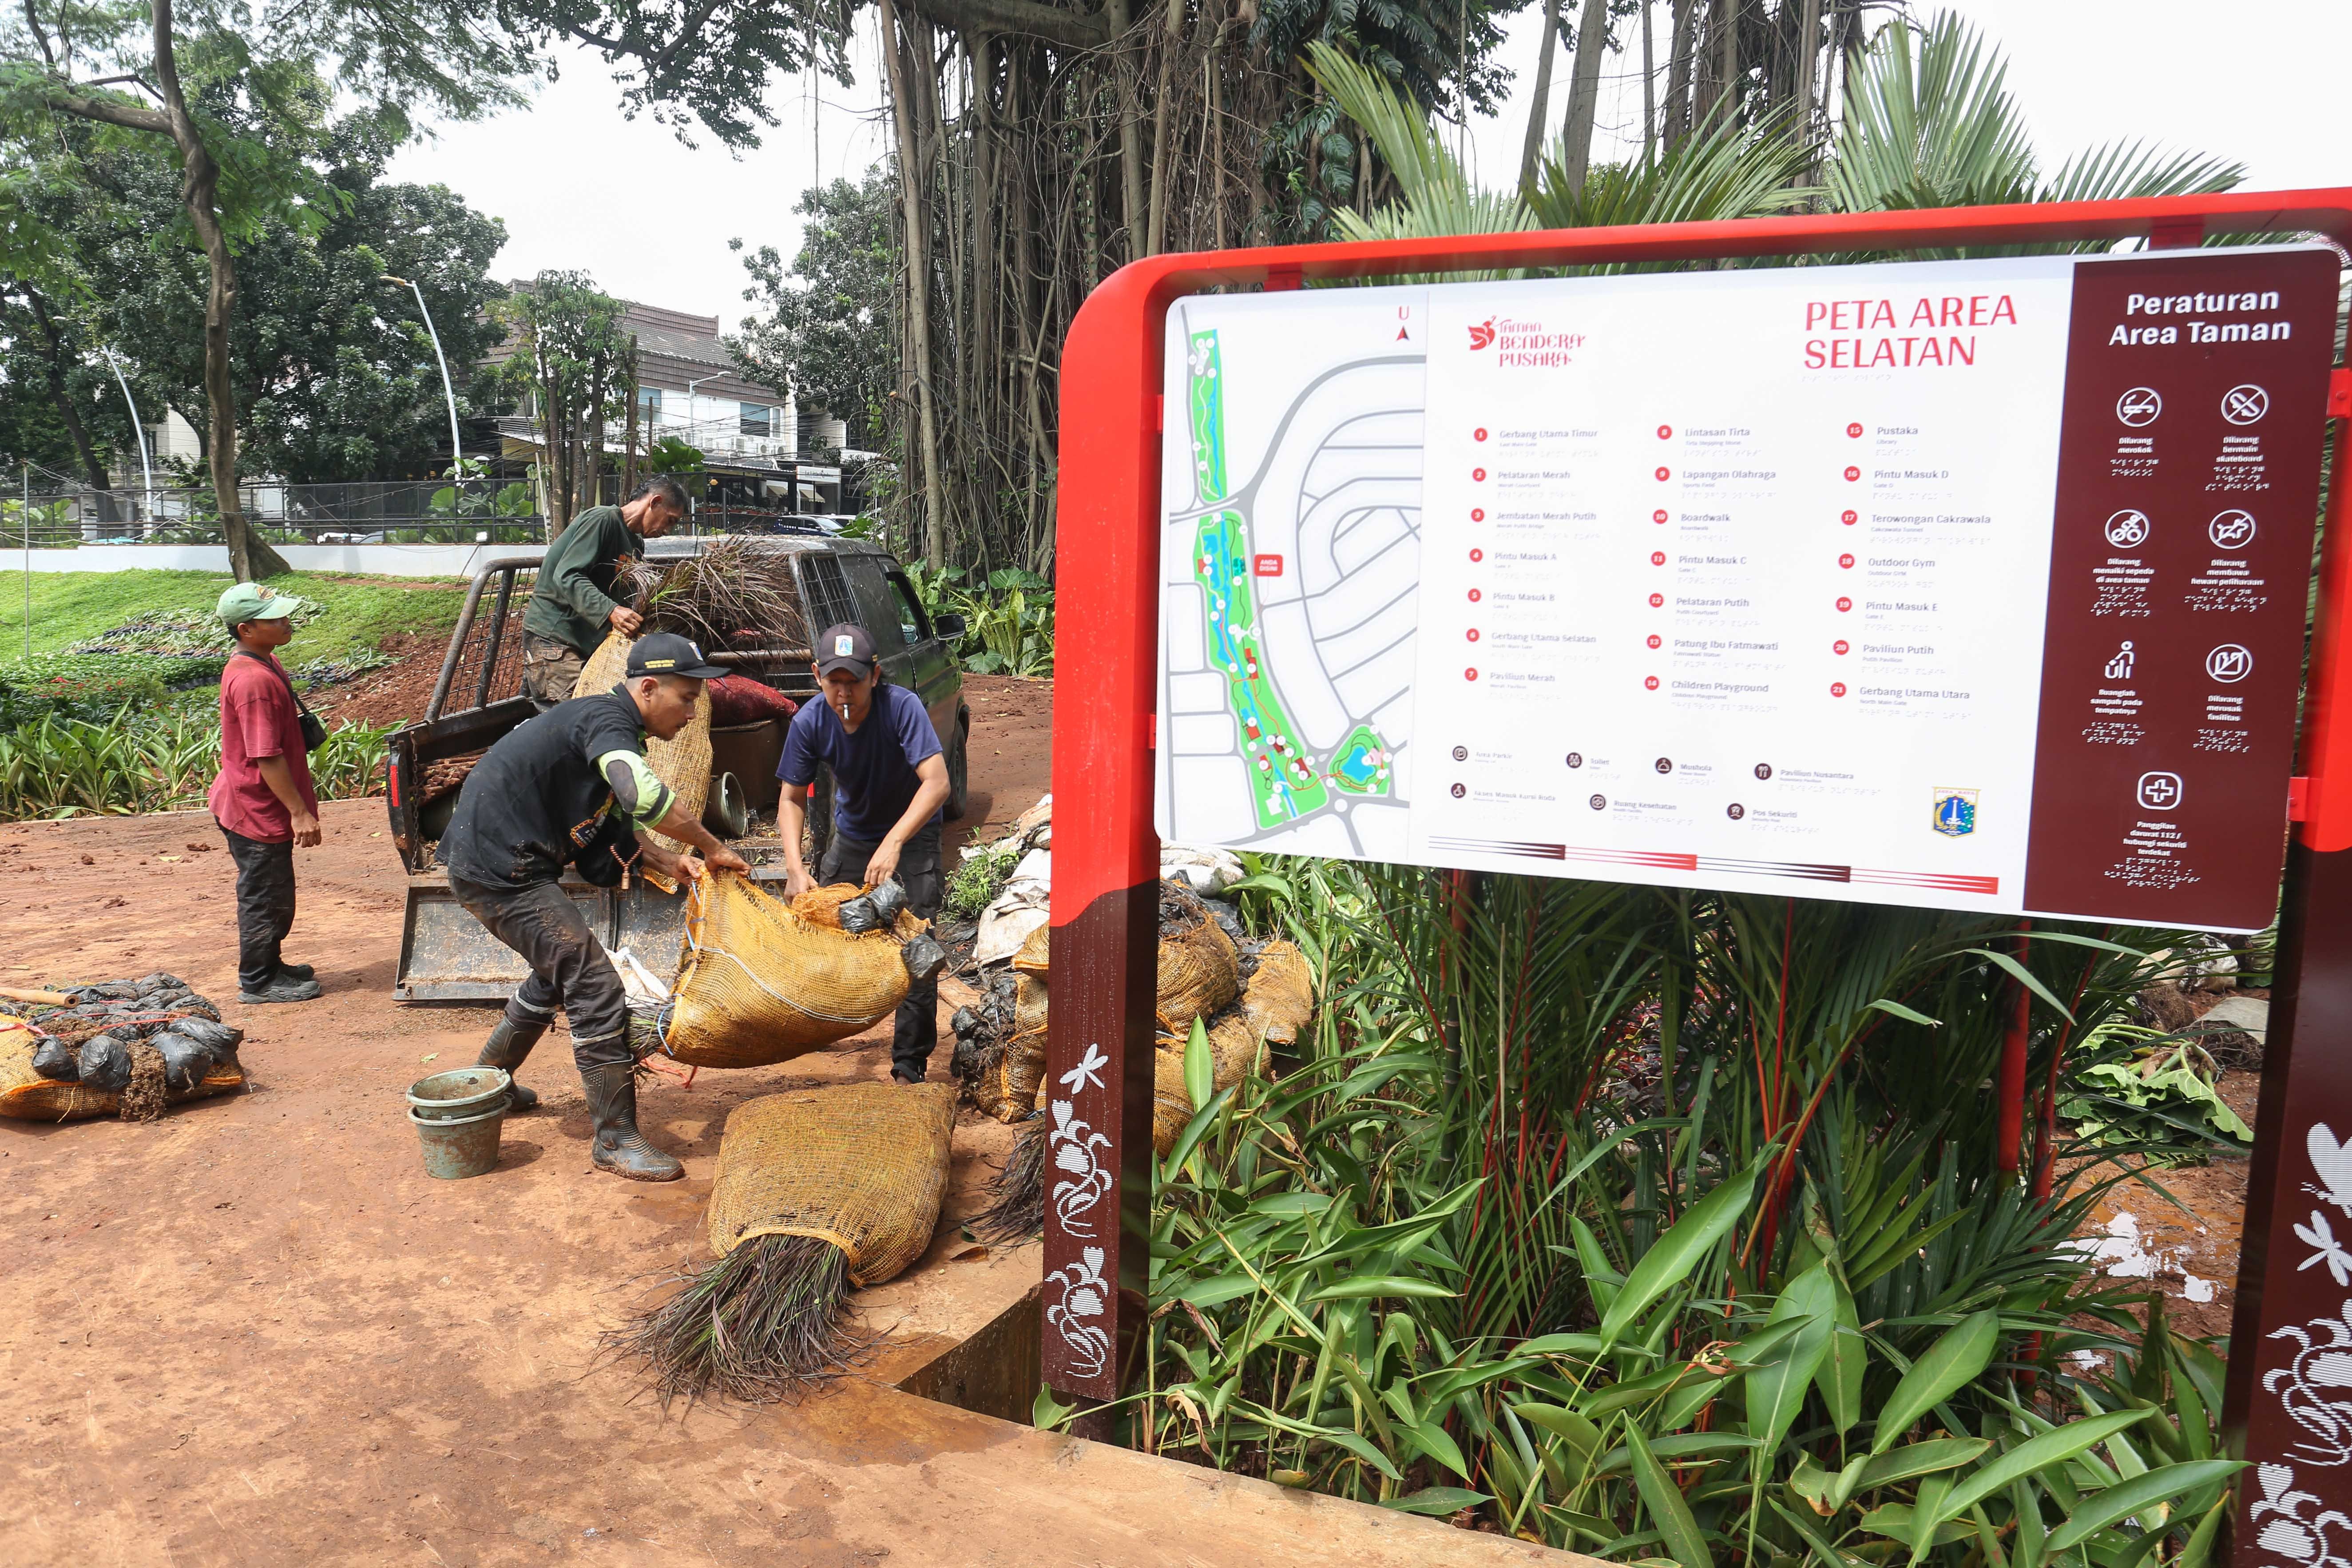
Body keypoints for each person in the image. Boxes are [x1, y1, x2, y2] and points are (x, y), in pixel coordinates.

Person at [441, 632, 751, 1180]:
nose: (690, 714)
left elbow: (616, 824)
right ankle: (614, 1140)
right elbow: (644, 798)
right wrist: (711, 846)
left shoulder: (606, 725)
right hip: (500, 873)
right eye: (686, 699)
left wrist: (667, 860)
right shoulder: (606, 723)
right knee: (594, 984)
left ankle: (488, 1083)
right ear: (648, 688)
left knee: (557, 972)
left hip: (503, 863)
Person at [776, 623, 952, 1084]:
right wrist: (794, 868)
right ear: (816, 675)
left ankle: (908, 1065)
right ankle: (825, 1026)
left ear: (874, 675)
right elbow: (790, 799)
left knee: (915, 948)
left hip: (912, 837)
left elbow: (937, 783)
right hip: (853, 838)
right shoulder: (809, 721)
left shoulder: (902, 708)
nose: (844, 692)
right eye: (834, 681)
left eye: (853, 681)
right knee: (826, 935)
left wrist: (894, 841)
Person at [207, 583, 324, 1005]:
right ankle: (258, 980)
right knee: (264, 896)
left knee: (276, 891)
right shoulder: (254, 679)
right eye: (275, 618)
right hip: (255, 806)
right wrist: (299, 812)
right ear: (246, 629)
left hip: (253, 800)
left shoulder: (265, 660)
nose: (287, 622)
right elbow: (266, 755)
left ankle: (271, 964)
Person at [518, 476, 688, 710]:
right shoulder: (603, 519)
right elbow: (568, 575)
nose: (667, 530)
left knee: (596, 714)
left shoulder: (635, 544)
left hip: (585, 643)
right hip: (556, 637)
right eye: (670, 520)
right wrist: (612, 611)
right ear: (655, 502)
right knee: (575, 717)